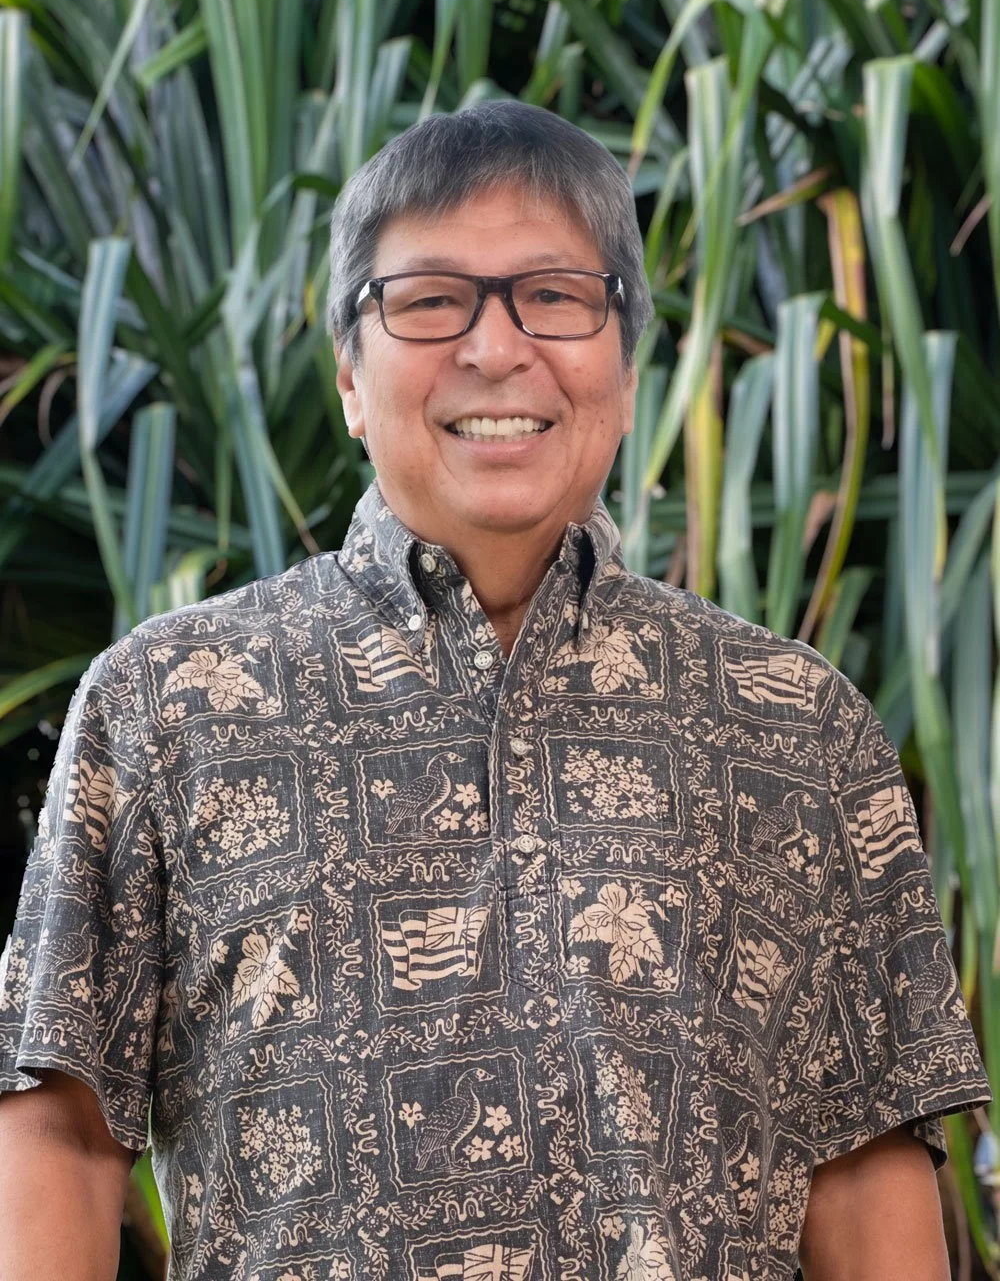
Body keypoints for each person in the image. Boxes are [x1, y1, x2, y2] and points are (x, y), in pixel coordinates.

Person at [0, 100, 990, 1281]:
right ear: (349, 376)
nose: (494, 348)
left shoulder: (793, 725)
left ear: (626, 365)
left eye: (554, 297)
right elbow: (61, 1126)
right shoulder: (168, 705)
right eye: (429, 302)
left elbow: (863, 1169)